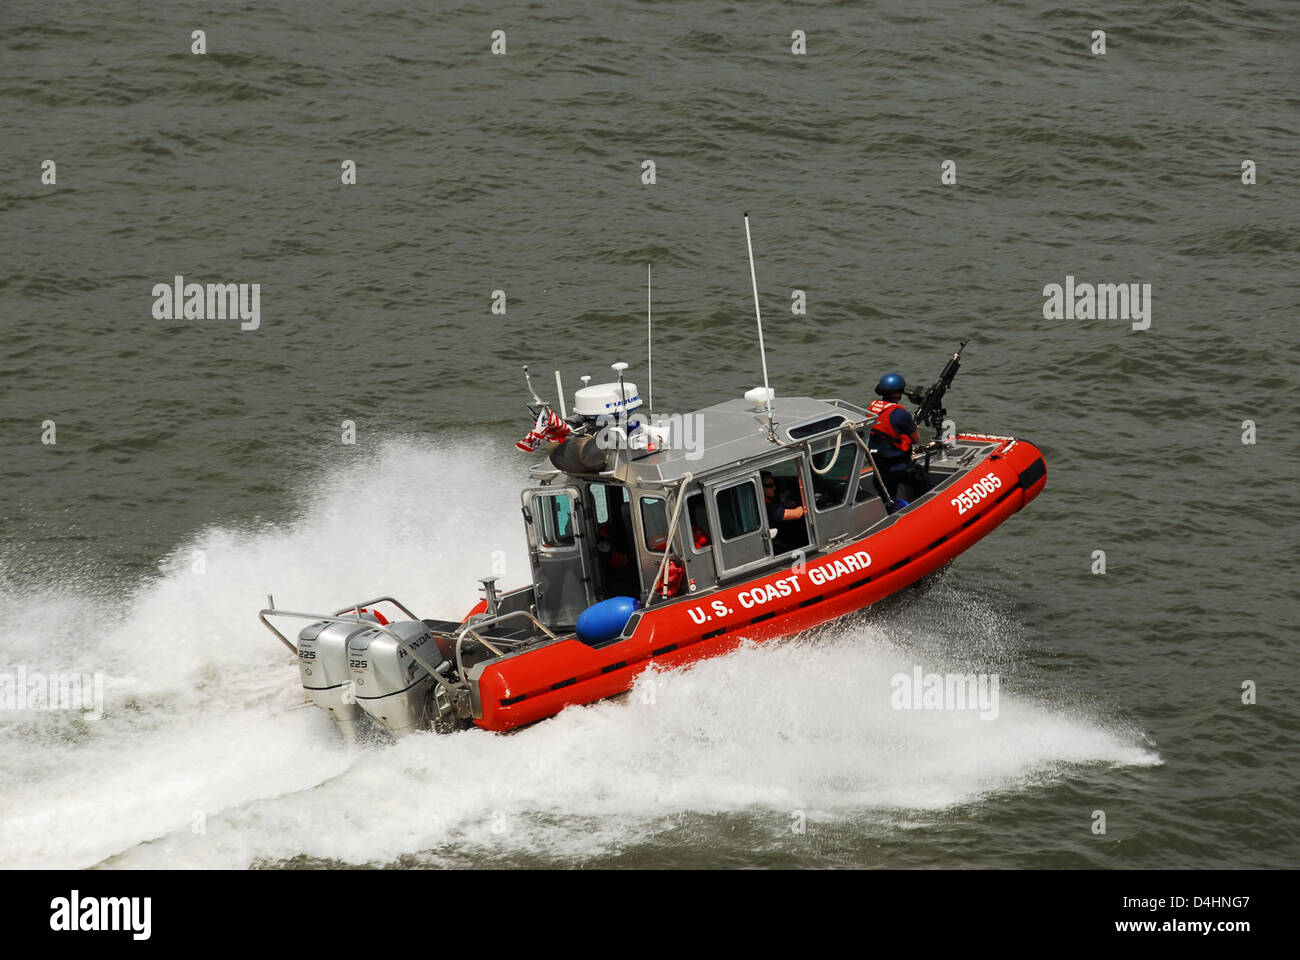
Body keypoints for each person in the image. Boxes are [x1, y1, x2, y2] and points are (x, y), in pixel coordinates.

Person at [867, 373, 932, 501]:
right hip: (898, 467)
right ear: (898, 393)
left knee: (888, 498)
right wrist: (911, 428)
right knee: (925, 484)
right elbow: (916, 440)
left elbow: (885, 429)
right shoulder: (900, 413)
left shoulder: (873, 408)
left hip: (879, 466)